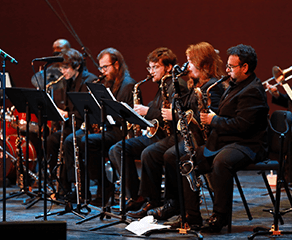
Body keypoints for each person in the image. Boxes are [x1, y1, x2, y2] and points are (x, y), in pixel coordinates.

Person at [167, 44, 269, 232]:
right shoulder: (235, 85)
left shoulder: (252, 90)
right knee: (186, 160)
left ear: (245, 67)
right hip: (228, 141)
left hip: (248, 144)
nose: (227, 70)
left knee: (222, 162)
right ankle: (191, 216)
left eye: (231, 67)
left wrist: (214, 120)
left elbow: (243, 126)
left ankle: (220, 218)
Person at [147, 42, 227, 221]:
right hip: (192, 137)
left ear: (204, 65)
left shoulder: (212, 88)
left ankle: (185, 210)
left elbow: (211, 120)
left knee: (174, 155)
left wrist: (180, 116)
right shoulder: (195, 85)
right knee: (168, 154)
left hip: (208, 142)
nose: (186, 66)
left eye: (190, 62)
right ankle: (174, 203)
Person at [109, 47, 187, 215]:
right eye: (149, 68)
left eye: (155, 67)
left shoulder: (176, 84)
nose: (151, 72)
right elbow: (158, 108)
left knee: (148, 153)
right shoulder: (162, 84)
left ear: (167, 67)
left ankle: (152, 199)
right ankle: (135, 196)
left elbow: (173, 114)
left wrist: (147, 111)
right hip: (157, 134)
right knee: (118, 148)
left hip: (172, 136)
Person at [64, 47, 137, 206]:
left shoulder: (127, 84)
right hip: (107, 128)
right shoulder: (108, 83)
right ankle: (81, 190)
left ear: (116, 65)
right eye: (101, 67)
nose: (102, 71)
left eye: (105, 67)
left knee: (87, 142)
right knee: (71, 140)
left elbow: (127, 116)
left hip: (120, 131)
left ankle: (104, 185)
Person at [47, 48, 97, 194]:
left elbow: (88, 110)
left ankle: (77, 184)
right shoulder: (69, 81)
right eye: (61, 68)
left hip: (86, 125)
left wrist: (67, 113)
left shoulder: (89, 80)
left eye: (65, 67)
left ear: (77, 66)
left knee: (69, 141)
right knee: (51, 140)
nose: (62, 71)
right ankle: (61, 185)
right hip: (73, 124)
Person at [265, 45, 292, 190]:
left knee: (288, 135)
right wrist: (277, 94)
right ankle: (288, 179)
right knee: (281, 135)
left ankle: (290, 179)